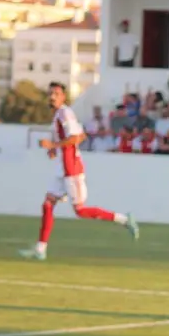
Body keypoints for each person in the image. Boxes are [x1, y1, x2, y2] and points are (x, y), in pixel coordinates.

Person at [19, 83, 140, 261]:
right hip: (63, 168)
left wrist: (53, 145)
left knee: (81, 211)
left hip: (72, 169)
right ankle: (40, 249)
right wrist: (55, 149)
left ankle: (124, 219)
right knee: (47, 204)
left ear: (63, 97)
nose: (52, 96)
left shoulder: (65, 113)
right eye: (50, 93)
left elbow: (75, 138)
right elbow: (81, 135)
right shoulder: (58, 115)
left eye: (57, 93)